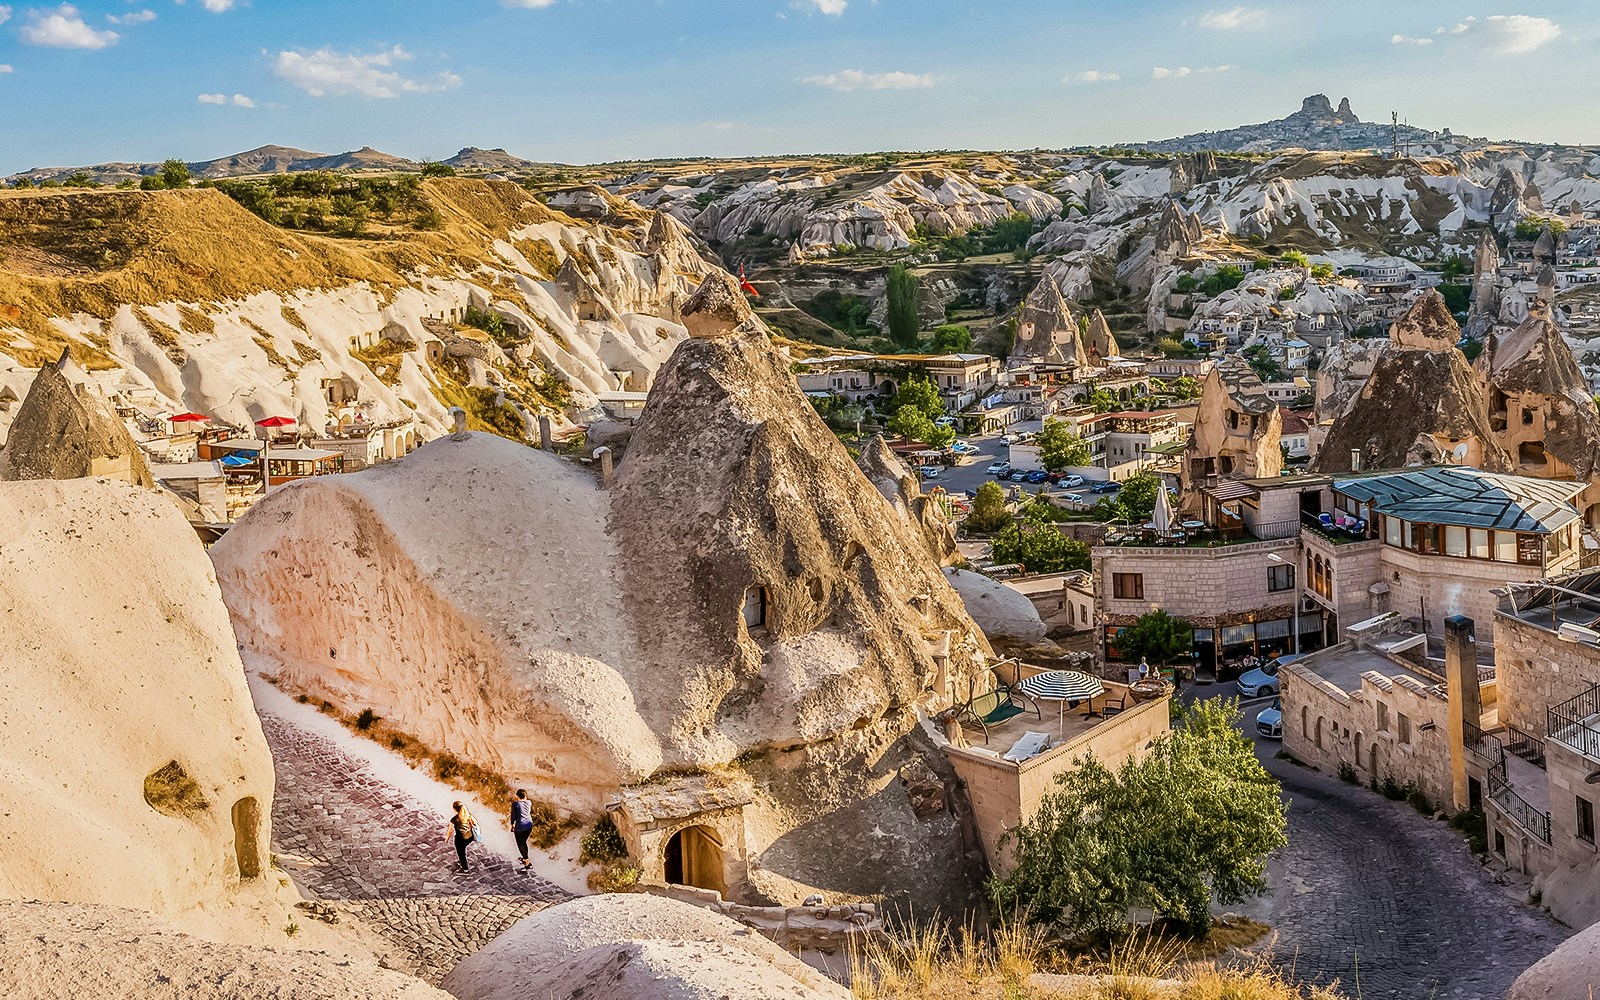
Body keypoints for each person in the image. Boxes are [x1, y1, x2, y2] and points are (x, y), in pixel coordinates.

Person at [447, 800, 477, 872]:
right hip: (470, 837)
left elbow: (450, 831)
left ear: (455, 809)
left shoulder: (454, 819)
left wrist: (447, 839)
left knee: (461, 853)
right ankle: (462, 862)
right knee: (463, 849)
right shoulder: (468, 815)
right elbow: (475, 822)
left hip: (461, 839)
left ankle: (465, 869)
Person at [509, 789, 535, 871]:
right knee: (523, 843)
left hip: (520, 827)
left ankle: (527, 863)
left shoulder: (515, 804)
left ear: (517, 796)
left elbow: (513, 816)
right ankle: (524, 858)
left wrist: (512, 824)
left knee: (520, 844)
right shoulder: (529, 802)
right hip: (529, 825)